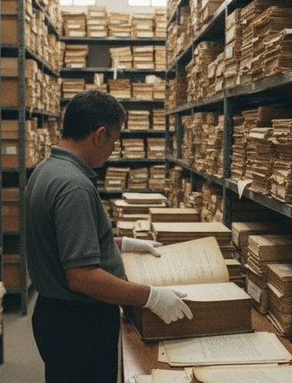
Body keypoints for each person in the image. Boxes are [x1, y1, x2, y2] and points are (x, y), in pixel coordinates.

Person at [25, 89, 192, 383]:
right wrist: (150, 297)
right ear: (99, 135)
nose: (114, 149)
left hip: (56, 318)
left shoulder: (45, 170)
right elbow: (82, 276)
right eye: (115, 140)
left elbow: (62, 241)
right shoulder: (73, 185)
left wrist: (122, 244)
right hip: (79, 325)